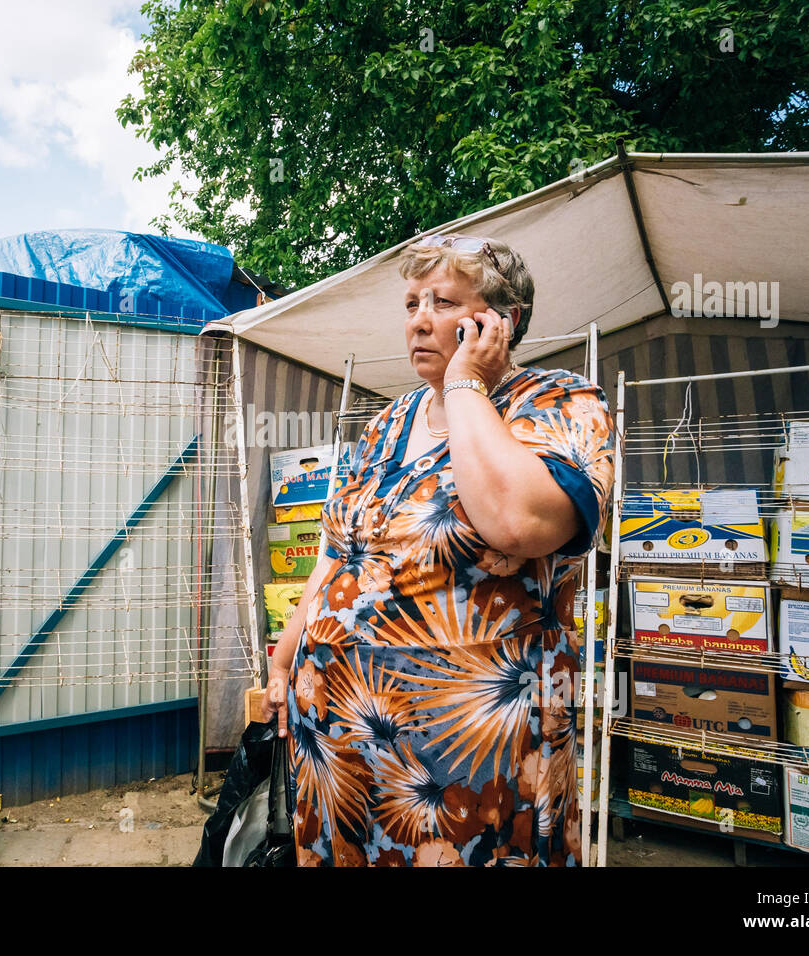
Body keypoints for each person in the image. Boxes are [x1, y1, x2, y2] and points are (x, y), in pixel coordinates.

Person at [261, 235, 616, 866]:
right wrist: (285, 658)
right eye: (410, 304)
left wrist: (466, 382)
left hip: (464, 750)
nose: (420, 319)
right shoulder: (387, 421)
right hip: (340, 732)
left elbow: (516, 521)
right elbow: (338, 553)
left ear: (496, 321)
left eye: (444, 301)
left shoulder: (559, 401)